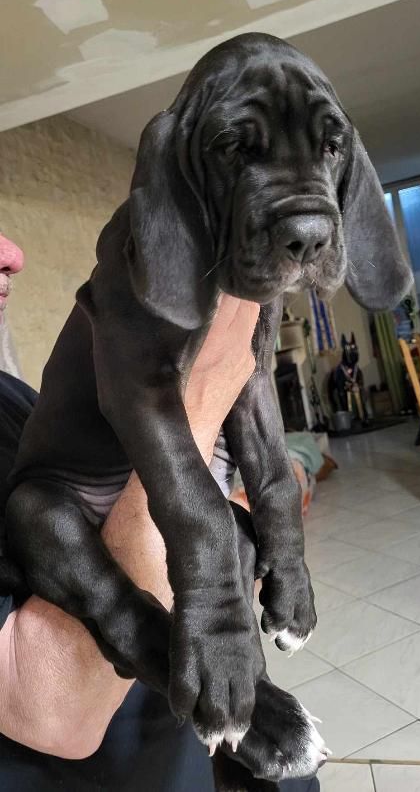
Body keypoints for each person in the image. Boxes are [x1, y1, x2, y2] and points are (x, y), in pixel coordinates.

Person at [0, 231, 320, 791]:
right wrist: (195, 400)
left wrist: (265, 515)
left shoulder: (7, 393)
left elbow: (129, 512)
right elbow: (56, 716)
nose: (13, 256)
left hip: (207, 751)